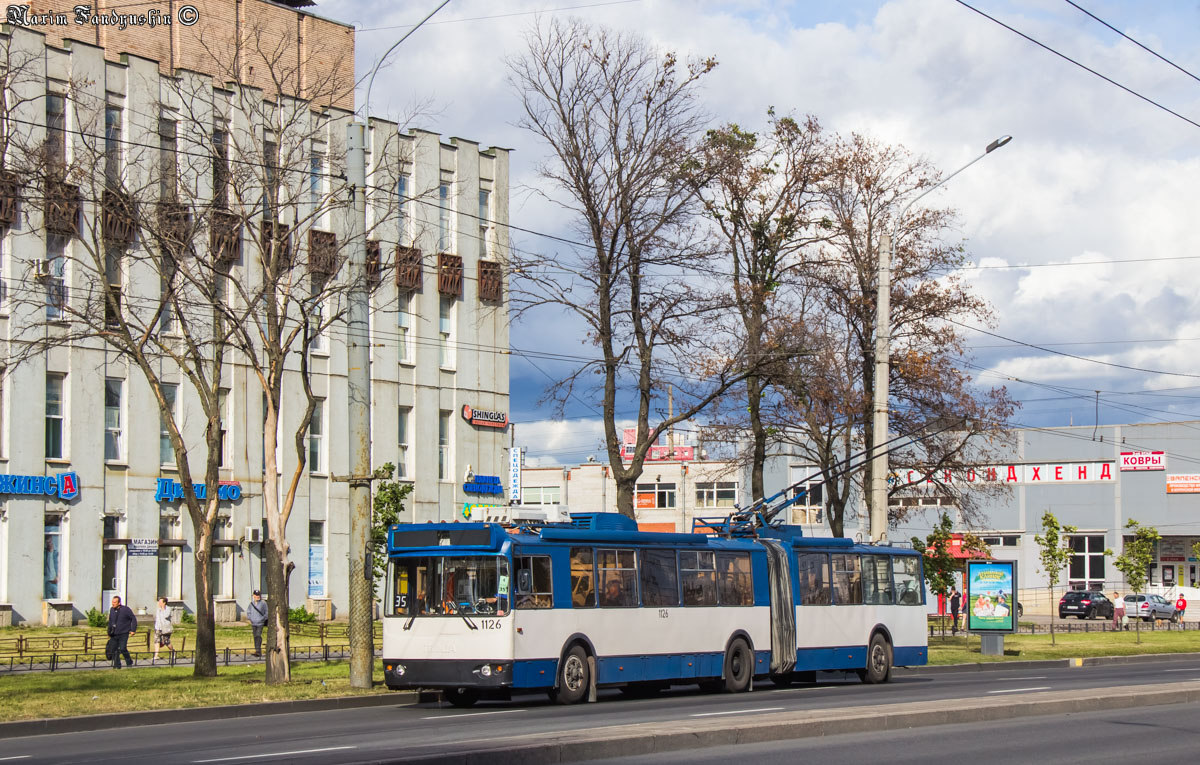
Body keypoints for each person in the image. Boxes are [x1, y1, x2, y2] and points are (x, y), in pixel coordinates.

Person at [107, 595, 137, 669]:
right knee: (114, 649)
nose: (113, 604)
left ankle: (129, 661)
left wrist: (133, 630)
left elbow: (133, 619)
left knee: (123, 648)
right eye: (112, 602)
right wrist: (108, 632)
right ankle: (117, 665)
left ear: (119, 603)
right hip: (114, 633)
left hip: (123, 633)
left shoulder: (125, 609)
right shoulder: (112, 610)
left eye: (115, 602)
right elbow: (110, 621)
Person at [152, 597, 174, 662]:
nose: (159, 603)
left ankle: (172, 651)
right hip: (158, 628)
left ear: (164, 603)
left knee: (166, 642)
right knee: (156, 641)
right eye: (159, 602)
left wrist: (163, 608)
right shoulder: (158, 610)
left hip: (165, 628)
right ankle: (156, 655)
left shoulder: (168, 609)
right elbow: (157, 619)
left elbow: (166, 616)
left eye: (160, 602)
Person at [247, 590, 267, 657]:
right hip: (253, 623)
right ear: (253, 596)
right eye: (256, 595)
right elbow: (248, 612)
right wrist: (250, 618)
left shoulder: (263, 603)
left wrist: (262, 619)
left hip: (260, 623)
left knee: (258, 635)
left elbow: (267, 613)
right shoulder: (251, 604)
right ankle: (256, 650)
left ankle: (258, 651)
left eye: (258, 595)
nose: (257, 596)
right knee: (255, 636)